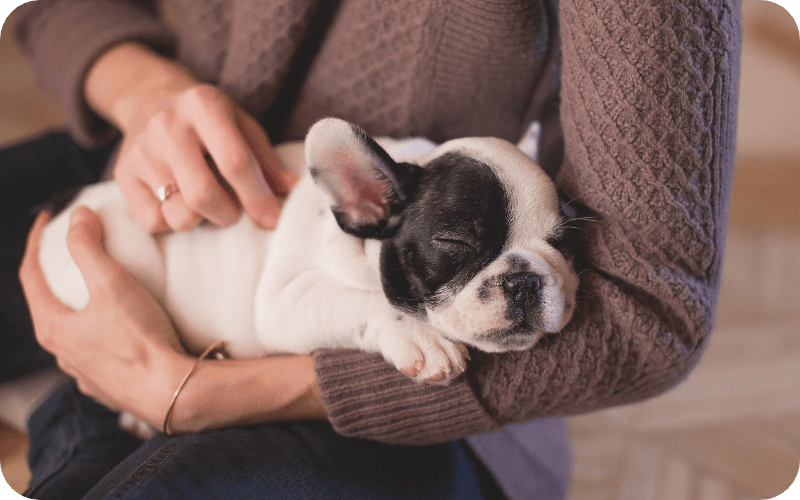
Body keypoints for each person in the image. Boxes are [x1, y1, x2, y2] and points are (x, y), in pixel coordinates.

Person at [3, 0, 741, 498]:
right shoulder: (378, 198)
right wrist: (145, 92)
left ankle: (74, 422)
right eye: (463, 251)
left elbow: (651, 310)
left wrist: (199, 396)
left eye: (555, 247)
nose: (522, 279)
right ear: (364, 204)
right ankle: (81, 415)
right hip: (156, 183)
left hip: (387, 395)